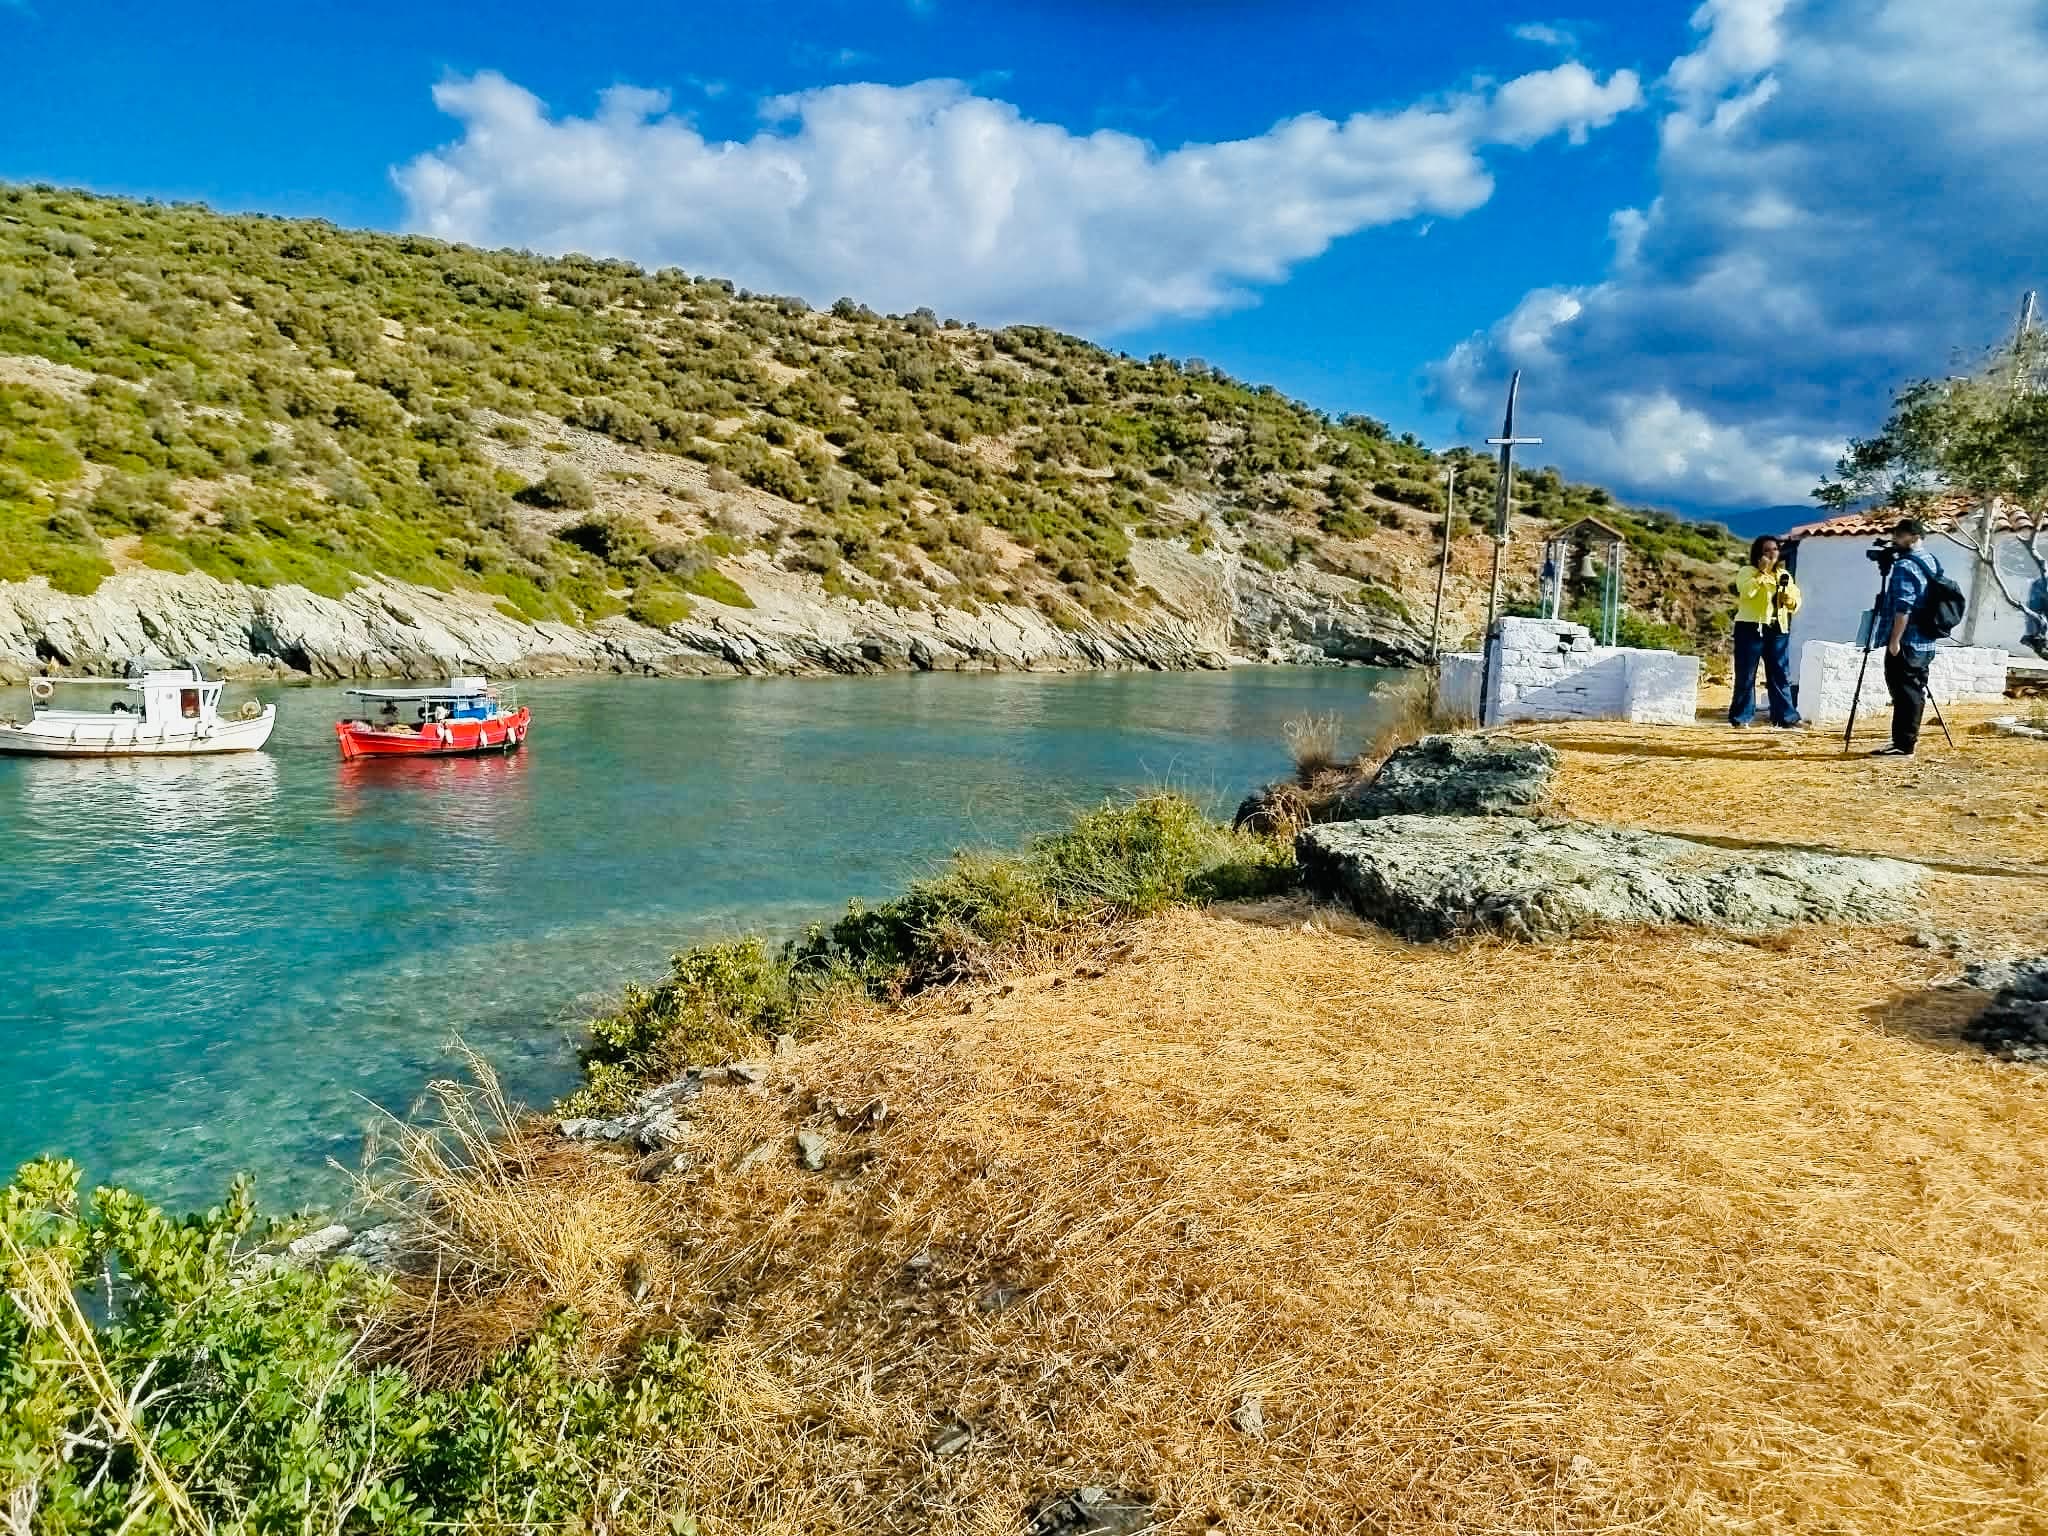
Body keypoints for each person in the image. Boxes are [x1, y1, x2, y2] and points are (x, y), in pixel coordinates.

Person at [1873, 517, 1941, 757]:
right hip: (1926, 638)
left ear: (1913, 537)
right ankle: (1905, 740)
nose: (1895, 541)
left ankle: (1903, 745)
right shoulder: (1930, 561)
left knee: (1904, 691)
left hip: (1908, 640)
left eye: (1899, 537)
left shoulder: (1904, 567)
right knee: (1916, 689)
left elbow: (1904, 606)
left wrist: (1894, 640)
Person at [1730, 535, 1802, 728]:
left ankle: (1785, 718)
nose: (1772, 554)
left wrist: (1787, 598)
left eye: (1775, 549)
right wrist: (1760, 575)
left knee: (1779, 674)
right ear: (1758, 554)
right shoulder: (1747, 572)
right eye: (1767, 550)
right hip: (1750, 627)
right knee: (1746, 674)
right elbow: (1746, 593)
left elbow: (1795, 602)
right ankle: (1741, 717)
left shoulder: (1784, 575)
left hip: (1777, 629)